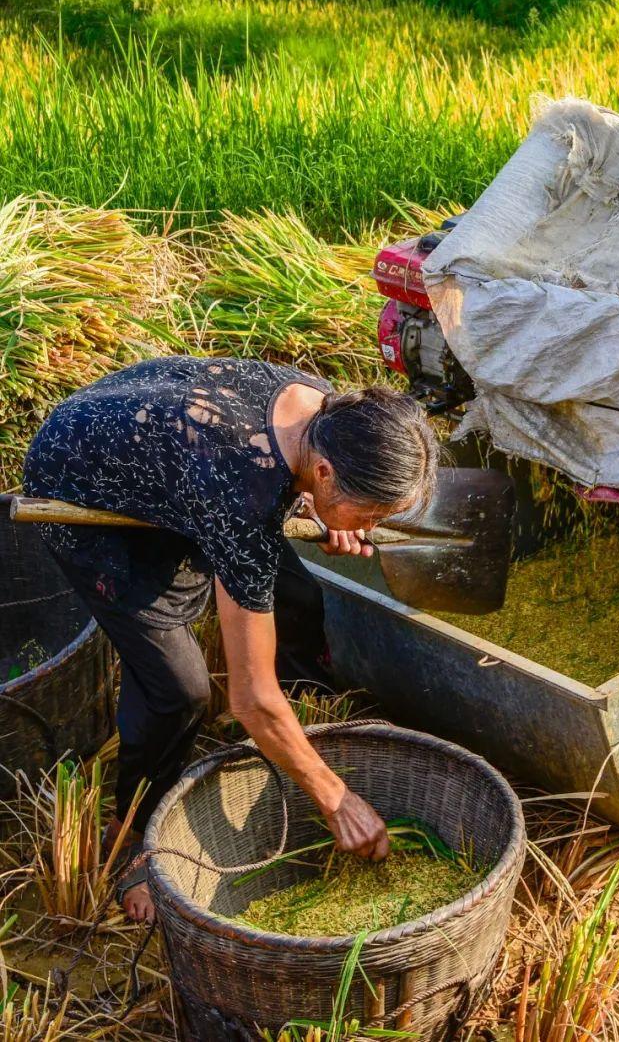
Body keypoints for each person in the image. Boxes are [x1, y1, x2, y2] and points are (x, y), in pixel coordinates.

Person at [22, 356, 439, 924]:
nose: (367, 529)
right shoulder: (241, 493)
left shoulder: (327, 413)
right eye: (368, 513)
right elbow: (248, 698)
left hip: (167, 450)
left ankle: (298, 727)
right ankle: (129, 837)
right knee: (178, 691)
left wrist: (335, 516)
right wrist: (334, 797)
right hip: (85, 487)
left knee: (298, 599)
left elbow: (273, 489)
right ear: (323, 472)